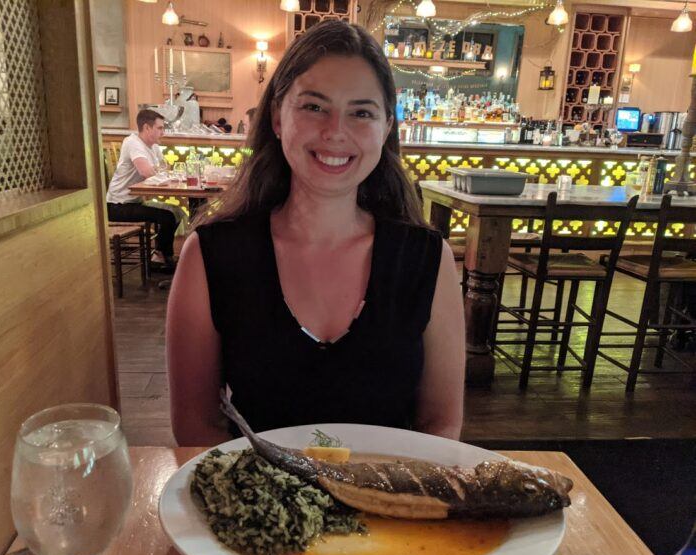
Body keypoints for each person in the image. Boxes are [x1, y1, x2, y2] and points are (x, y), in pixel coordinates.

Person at [166, 20, 465, 446]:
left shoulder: (428, 259)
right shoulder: (211, 255)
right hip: (259, 506)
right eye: (313, 107)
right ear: (276, 117)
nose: (335, 132)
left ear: (386, 129)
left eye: (362, 112)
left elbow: (442, 424)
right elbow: (196, 427)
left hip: (391, 507)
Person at [107, 109, 178, 269]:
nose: (163, 132)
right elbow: (146, 172)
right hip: (118, 205)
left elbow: (164, 169)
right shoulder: (133, 142)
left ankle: (161, 256)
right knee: (168, 216)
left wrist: (161, 172)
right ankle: (160, 258)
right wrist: (161, 172)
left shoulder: (153, 146)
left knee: (176, 212)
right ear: (147, 128)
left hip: (134, 202)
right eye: (160, 128)